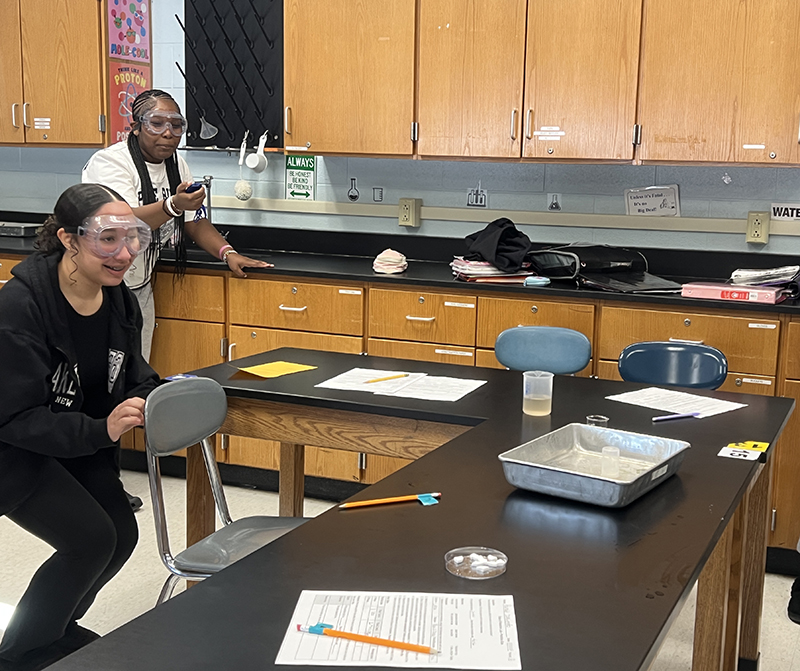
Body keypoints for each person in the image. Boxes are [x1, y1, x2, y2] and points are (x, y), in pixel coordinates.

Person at [0, 184, 160, 671]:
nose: (125, 253)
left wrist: (152, 394)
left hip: (80, 441)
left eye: (133, 237)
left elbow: (132, 371)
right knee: (89, 539)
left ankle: (54, 630)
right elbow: (14, 417)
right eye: (107, 239)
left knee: (120, 534)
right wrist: (101, 431)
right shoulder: (20, 308)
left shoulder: (116, 299)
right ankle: (18, 654)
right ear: (69, 239)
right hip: (14, 450)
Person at [82, 88, 270, 362]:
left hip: (137, 283)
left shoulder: (176, 164)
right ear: (136, 127)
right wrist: (173, 205)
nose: (168, 132)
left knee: (136, 364)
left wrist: (227, 253)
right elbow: (123, 222)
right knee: (98, 368)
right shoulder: (111, 162)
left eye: (176, 124)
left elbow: (194, 220)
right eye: (156, 123)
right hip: (97, 286)